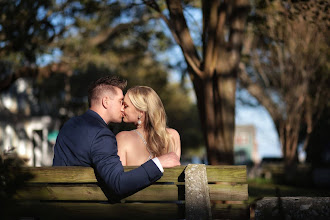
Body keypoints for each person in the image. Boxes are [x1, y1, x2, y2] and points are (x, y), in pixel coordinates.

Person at [52, 75, 180, 199]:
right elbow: (118, 184)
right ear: (106, 101)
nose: (122, 108)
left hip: (58, 204)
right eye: (120, 102)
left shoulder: (69, 125)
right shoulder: (102, 136)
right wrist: (158, 163)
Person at [116, 86, 181, 166]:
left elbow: (119, 177)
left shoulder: (122, 138)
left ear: (141, 111)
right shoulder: (172, 136)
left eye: (126, 106)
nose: (121, 109)